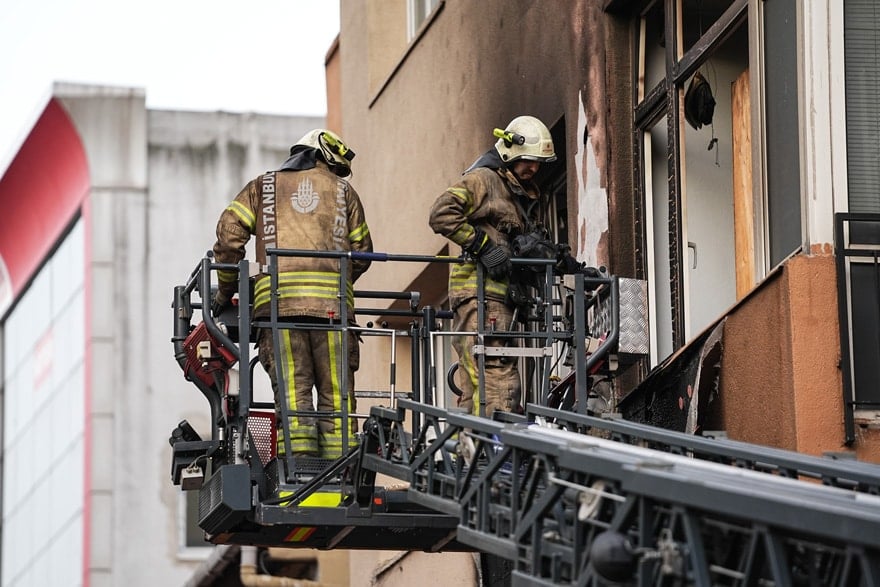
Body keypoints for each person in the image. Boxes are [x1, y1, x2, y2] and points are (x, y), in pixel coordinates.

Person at [211, 129, 373, 460]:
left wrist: (226, 292)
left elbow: (229, 238)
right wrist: (336, 281)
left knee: (294, 395)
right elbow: (364, 252)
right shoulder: (344, 192)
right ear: (323, 156)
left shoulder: (262, 187)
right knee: (338, 399)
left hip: (279, 311)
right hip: (334, 314)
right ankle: (341, 474)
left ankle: (298, 473)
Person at [428, 115, 556, 417]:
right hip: (480, 294)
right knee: (495, 371)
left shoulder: (519, 195)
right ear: (511, 151)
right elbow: (441, 213)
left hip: (502, 297)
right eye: (529, 160)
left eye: (539, 162)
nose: (534, 168)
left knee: (480, 379)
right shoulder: (484, 180)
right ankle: (499, 451)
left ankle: (474, 449)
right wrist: (483, 247)